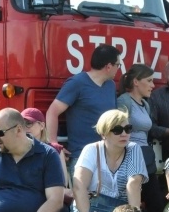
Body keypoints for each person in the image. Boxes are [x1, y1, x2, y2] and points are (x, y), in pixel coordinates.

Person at [72, 109, 147, 212]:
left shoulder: (134, 149)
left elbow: (134, 184)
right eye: (117, 130)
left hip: (122, 211)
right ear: (104, 133)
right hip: (92, 210)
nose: (124, 133)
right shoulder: (91, 150)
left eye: (128, 129)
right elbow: (79, 186)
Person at [45, 44, 121, 174]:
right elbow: (52, 111)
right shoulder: (77, 83)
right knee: (82, 194)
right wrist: (53, 144)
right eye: (118, 65)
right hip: (82, 157)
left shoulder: (111, 86)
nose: (118, 69)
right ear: (108, 66)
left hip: (108, 156)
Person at [117, 63, 166, 212]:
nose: (153, 85)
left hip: (148, 157)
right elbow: (122, 130)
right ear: (136, 82)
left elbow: (149, 129)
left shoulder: (145, 103)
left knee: (156, 204)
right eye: (149, 80)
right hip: (132, 157)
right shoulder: (124, 101)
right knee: (137, 204)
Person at [21, 107, 74, 208]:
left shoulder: (55, 149)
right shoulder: (15, 149)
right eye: (22, 124)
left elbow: (63, 182)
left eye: (28, 123)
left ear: (41, 125)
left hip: (50, 199)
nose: (25, 128)